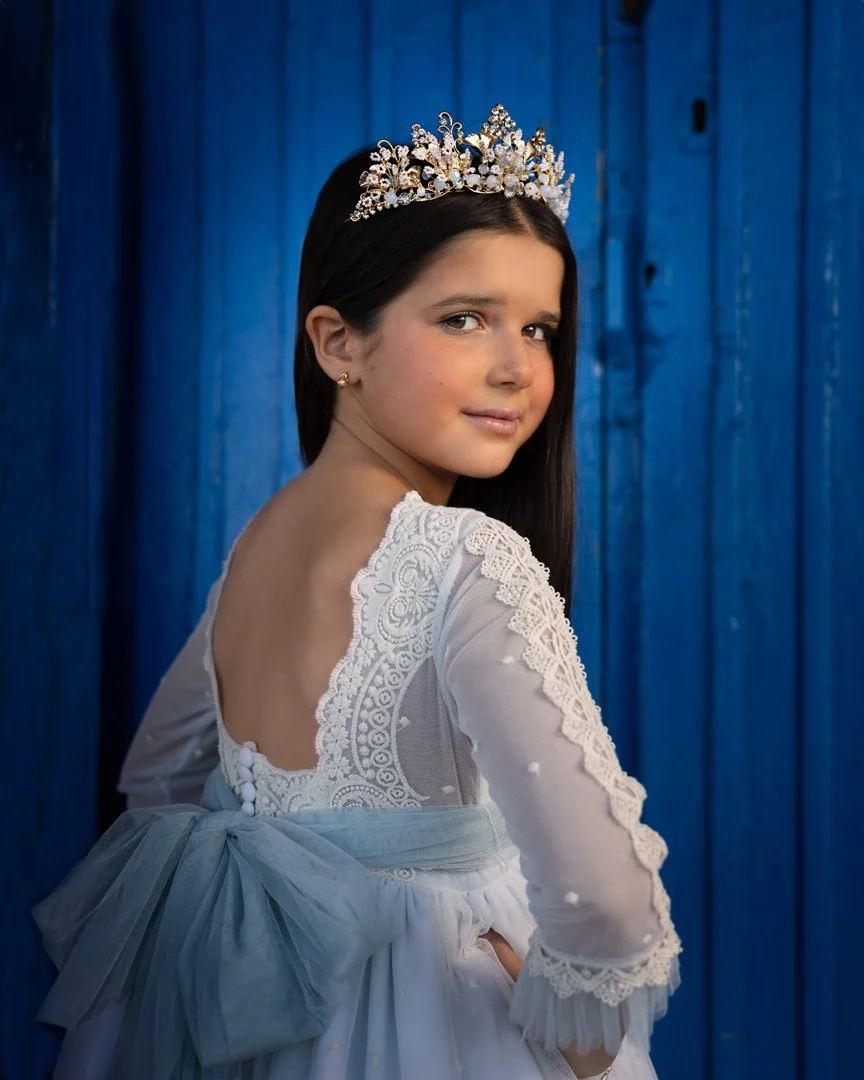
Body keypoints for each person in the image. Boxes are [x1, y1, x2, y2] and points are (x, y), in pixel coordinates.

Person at [33, 104, 681, 1080]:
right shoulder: (465, 557)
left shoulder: (257, 545)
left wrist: (275, 878)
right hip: (443, 1016)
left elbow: (158, 785)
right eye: (464, 318)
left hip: (256, 1017)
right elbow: (602, 895)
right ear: (339, 344)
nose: (518, 368)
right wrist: (583, 1045)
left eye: (539, 328)